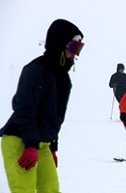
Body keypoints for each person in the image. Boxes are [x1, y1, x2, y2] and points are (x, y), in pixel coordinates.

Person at [0, 19, 84, 192]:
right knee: (25, 190)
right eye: (74, 47)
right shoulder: (36, 70)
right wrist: (30, 145)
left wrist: (53, 145)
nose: (76, 54)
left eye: (79, 49)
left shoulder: (63, 80)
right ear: (60, 44)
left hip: (41, 143)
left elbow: (55, 118)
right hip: (19, 140)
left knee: (50, 190)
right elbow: (25, 110)